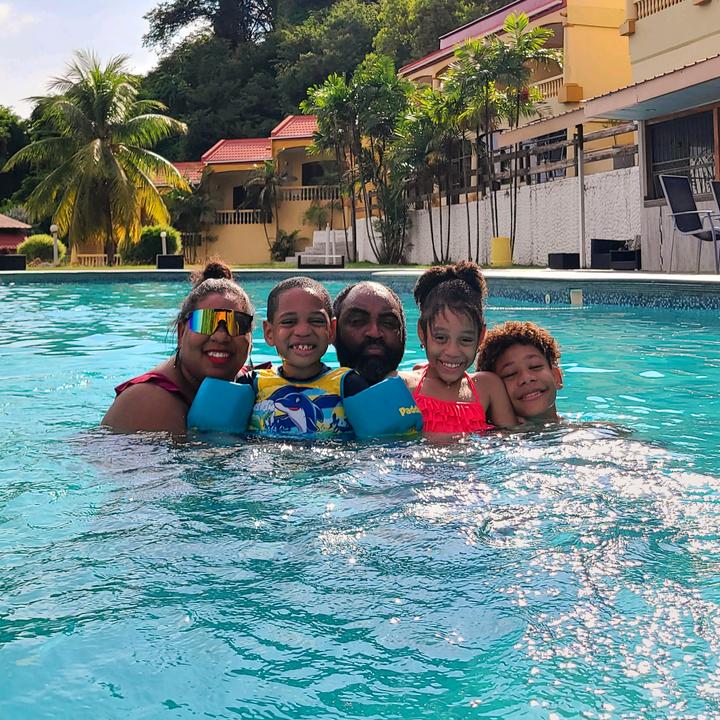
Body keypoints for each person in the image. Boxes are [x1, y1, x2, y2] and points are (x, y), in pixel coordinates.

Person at [102, 261, 254, 434]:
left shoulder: (253, 381)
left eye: (236, 324)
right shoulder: (148, 402)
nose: (220, 336)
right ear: (182, 333)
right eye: (205, 322)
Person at [239, 277, 368, 436]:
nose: (303, 331)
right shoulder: (252, 384)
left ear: (331, 330)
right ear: (269, 332)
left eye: (316, 321)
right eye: (289, 322)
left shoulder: (349, 385)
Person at [401, 261, 517, 434]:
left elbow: (512, 441)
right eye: (440, 338)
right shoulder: (404, 387)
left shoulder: (488, 388)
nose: (452, 351)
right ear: (422, 333)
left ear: (481, 337)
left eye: (465, 340)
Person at [476, 321, 563, 424]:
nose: (526, 378)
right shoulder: (482, 433)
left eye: (535, 366)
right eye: (510, 374)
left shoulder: (578, 430)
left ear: (556, 377)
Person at [333, 281, 406, 385]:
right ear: (333, 332)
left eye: (388, 323)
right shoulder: (314, 393)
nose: (374, 333)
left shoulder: (422, 389)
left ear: (403, 335)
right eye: (357, 321)